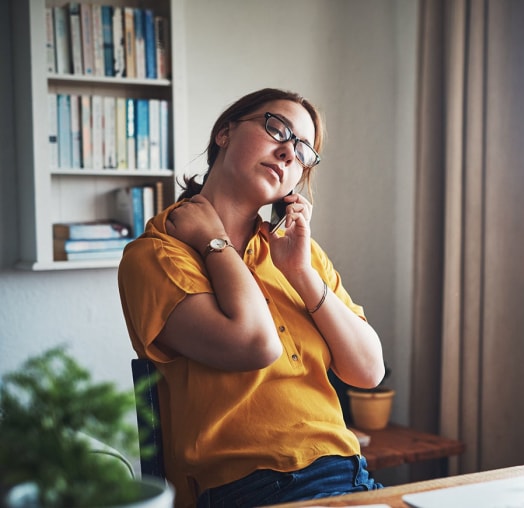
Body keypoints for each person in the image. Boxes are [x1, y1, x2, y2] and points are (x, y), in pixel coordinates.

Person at [118, 88, 386, 508]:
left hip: (349, 473)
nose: (287, 153)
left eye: (303, 152)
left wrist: (299, 273)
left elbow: (369, 371)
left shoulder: (298, 252)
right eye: (277, 129)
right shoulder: (156, 254)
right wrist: (213, 241)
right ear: (224, 132)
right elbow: (256, 344)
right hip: (251, 487)